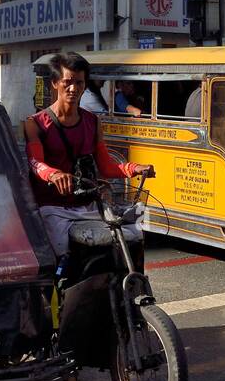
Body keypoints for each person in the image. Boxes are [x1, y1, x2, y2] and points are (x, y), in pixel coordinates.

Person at [23, 52, 154, 259]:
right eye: (68, 82)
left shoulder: (93, 122)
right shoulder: (36, 122)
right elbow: (35, 161)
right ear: (56, 83)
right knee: (60, 257)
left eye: (79, 83)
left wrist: (133, 168)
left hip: (88, 205)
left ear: (85, 85)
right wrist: (54, 175)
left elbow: (106, 166)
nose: (73, 88)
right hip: (52, 207)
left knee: (129, 240)